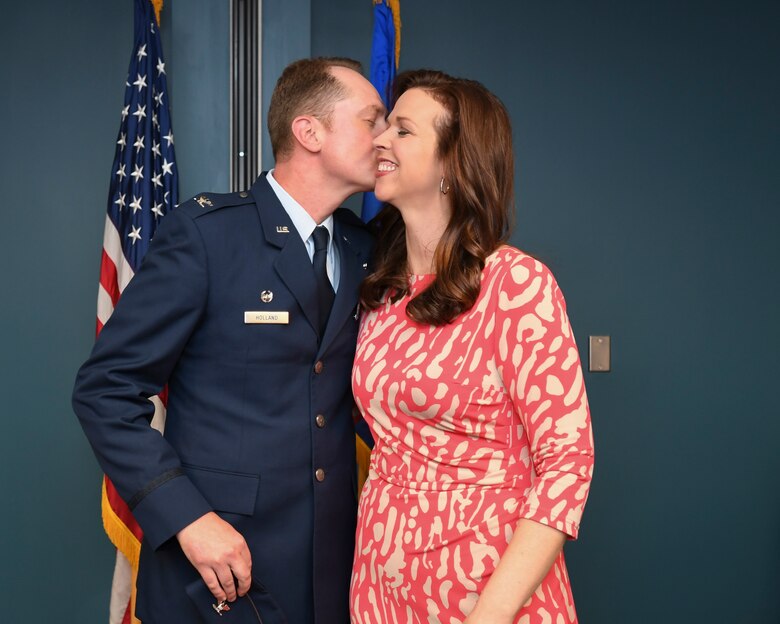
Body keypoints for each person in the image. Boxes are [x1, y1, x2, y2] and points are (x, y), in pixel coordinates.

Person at [73, 57, 387, 624]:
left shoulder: (367, 248)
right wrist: (187, 518)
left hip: (336, 564)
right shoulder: (207, 235)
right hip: (218, 561)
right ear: (309, 131)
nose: (385, 138)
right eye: (373, 120)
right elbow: (104, 390)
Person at [349, 70, 595, 624]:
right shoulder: (381, 295)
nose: (381, 138)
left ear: (451, 166)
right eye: (385, 124)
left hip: (486, 590)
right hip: (381, 583)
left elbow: (567, 465)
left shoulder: (516, 284)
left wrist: (489, 616)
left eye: (403, 131)